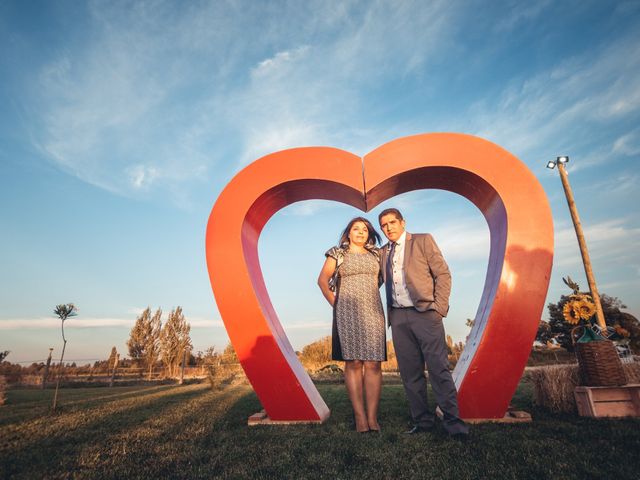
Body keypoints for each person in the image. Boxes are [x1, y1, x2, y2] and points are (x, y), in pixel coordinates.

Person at [378, 208, 469, 439]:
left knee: (439, 369)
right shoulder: (382, 253)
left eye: (392, 222)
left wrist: (439, 308)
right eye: (383, 225)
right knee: (410, 374)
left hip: (425, 314)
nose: (388, 228)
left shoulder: (422, 240)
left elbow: (443, 274)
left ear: (402, 222)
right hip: (398, 318)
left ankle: (454, 424)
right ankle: (423, 421)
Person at [317, 217, 386, 433]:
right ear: (348, 233)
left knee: (373, 364)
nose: (360, 232)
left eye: (364, 229)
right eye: (356, 229)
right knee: (354, 362)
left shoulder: (377, 254)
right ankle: (360, 417)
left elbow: (382, 280)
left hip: (373, 311)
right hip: (347, 313)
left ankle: (372, 418)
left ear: (369, 234)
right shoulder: (337, 253)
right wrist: (336, 304)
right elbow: (322, 280)